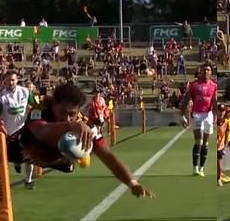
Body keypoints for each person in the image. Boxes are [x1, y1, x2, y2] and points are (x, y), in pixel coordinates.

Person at [10, 83, 154, 197]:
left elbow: (108, 157)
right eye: (62, 112)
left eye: (72, 114)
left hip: (54, 158)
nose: (66, 117)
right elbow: (41, 132)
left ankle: (68, 159)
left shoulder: (86, 126)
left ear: (78, 111)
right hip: (21, 147)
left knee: (71, 163)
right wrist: (72, 125)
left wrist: (131, 182)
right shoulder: (40, 109)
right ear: (53, 104)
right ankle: (20, 161)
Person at [180, 64, 217, 176]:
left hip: (208, 115)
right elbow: (186, 101)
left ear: (211, 72)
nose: (206, 71)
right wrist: (183, 116)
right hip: (197, 114)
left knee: (205, 143)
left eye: (208, 70)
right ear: (200, 71)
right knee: (199, 140)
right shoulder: (194, 85)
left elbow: (214, 101)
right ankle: (195, 168)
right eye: (204, 69)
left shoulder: (214, 86)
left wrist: (215, 115)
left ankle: (201, 168)